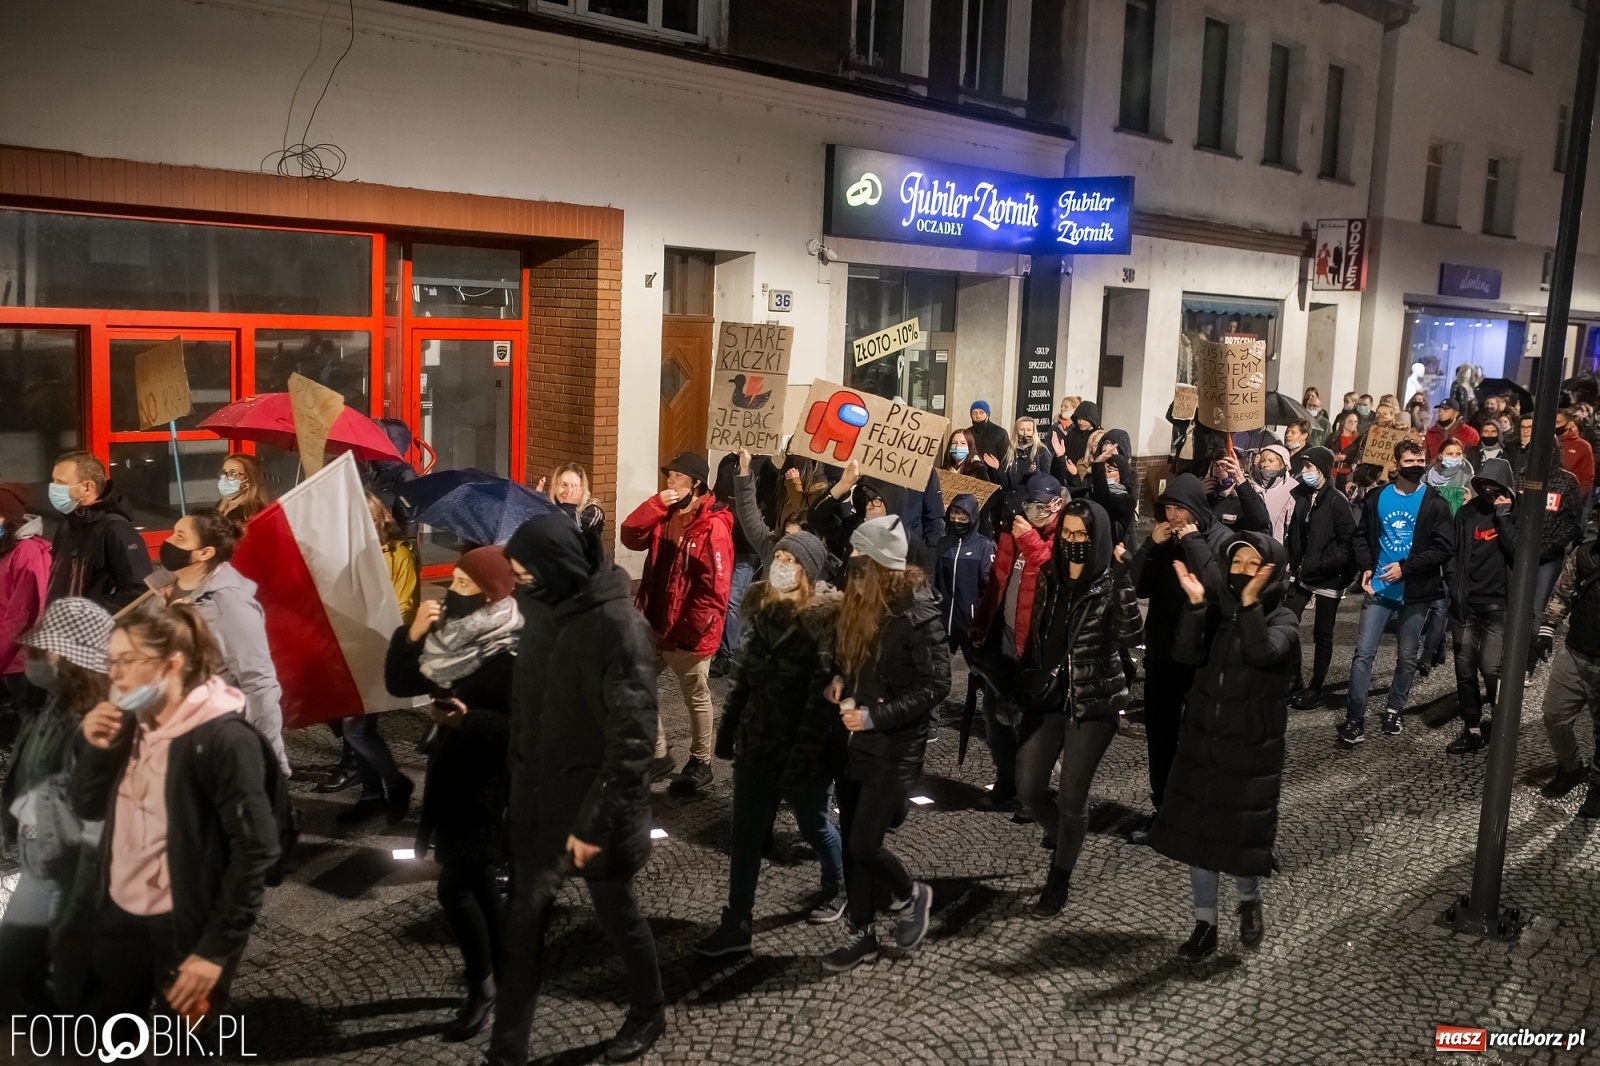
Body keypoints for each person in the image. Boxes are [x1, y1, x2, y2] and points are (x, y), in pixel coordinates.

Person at [490, 514, 664, 1065]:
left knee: (617, 915)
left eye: (525, 573)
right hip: (540, 805)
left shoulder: (621, 629)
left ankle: (648, 1009)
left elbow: (632, 743)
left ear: (555, 569)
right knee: (522, 932)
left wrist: (592, 826)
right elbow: (528, 708)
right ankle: (506, 1053)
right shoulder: (543, 608)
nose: (518, 583)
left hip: (598, 814)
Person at [72, 601, 280, 1028]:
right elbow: (85, 806)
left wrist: (213, 951)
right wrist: (94, 749)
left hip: (184, 928)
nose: (114, 675)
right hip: (120, 916)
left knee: (184, 1051)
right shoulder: (129, 721)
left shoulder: (223, 741)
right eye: (110, 662)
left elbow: (256, 848)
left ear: (172, 664)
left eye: (127, 661)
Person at [384, 546, 520, 1040]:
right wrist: (413, 633)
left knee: (455, 888)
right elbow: (398, 683)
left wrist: (470, 721)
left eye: (463, 585)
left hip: (485, 780)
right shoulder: (456, 634)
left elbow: (523, 728)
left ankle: (483, 987)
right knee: (480, 882)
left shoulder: (510, 646)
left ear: (490, 594)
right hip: (451, 771)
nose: (451, 594)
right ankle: (508, 971)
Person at [695, 532, 847, 956]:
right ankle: (737, 921)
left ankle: (838, 883)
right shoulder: (761, 610)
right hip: (757, 743)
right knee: (745, 834)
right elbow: (743, 678)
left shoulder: (823, 623)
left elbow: (821, 703)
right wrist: (727, 735)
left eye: (789, 559)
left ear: (807, 571)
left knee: (814, 825)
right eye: (777, 556)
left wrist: (804, 757)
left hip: (801, 750)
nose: (780, 563)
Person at [1150, 532, 1295, 961]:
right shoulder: (1218, 613)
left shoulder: (1283, 620)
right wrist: (1196, 608)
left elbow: (1261, 653)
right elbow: (1184, 655)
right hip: (1201, 741)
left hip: (1249, 750)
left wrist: (1250, 606)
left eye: (1255, 566)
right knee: (1198, 839)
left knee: (1239, 840)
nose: (1243, 573)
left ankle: (1248, 900)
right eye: (1237, 564)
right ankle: (1204, 924)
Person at [819, 516, 950, 972]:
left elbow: (936, 686)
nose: (850, 563)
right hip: (855, 742)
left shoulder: (918, 616)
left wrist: (876, 716)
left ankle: (911, 895)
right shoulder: (860, 602)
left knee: (862, 845)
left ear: (878, 565)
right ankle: (861, 935)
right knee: (856, 841)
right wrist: (840, 678)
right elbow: (847, 655)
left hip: (893, 746)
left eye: (859, 556)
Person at [1015, 499, 1141, 918]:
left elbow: (1131, 636)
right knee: (1030, 790)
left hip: (1093, 701)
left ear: (1098, 537)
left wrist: (1124, 583)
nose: (1072, 542)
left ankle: (1059, 877)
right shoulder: (1051, 574)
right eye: (1066, 533)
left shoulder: (1109, 581)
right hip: (1049, 697)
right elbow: (1038, 627)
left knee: (1071, 797)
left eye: (1081, 535)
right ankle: (1061, 835)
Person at [0, 598, 111, 1013]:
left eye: (38, 649)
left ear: (68, 660)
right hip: (37, 859)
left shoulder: (96, 726)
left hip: (71, 870)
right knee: (13, 969)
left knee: (68, 980)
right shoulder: (46, 706)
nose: (28, 655)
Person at [620, 450, 733, 796]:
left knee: (696, 697)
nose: (670, 482)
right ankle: (658, 754)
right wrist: (654, 504)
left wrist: (688, 633)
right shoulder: (663, 512)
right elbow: (630, 537)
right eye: (668, 477)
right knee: (635, 682)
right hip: (654, 623)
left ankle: (701, 762)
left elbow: (714, 590)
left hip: (688, 632)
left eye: (677, 478)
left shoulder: (712, 525)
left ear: (696, 483)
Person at [1127, 473, 1231, 842]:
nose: (1172, 516)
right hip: (1162, 652)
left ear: (1197, 510)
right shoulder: (1163, 538)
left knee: (1201, 740)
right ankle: (1164, 811)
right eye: (1167, 508)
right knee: (1160, 735)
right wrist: (1149, 547)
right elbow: (1136, 586)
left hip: (1202, 656)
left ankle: (1202, 814)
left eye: (1179, 509)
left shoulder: (1221, 539)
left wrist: (1193, 541)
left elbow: (1219, 588)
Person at [1339, 440, 1454, 749]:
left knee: (1407, 656)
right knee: (1363, 653)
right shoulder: (1377, 498)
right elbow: (1361, 536)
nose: (1416, 464)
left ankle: (1394, 709)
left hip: (1416, 592)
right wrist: (1366, 566)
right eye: (1410, 459)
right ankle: (1354, 717)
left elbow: (1443, 548)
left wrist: (1406, 568)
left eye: (1421, 459)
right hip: (1379, 588)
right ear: (1397, 463)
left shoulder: (1435, 503)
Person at [160, 508, 289, 774]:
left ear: (205, 553)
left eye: (180, 537)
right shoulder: (166, 591)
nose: (170, 541)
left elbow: (259, 683)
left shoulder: (228, 604)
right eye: (173, 532)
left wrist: (267, 759)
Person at [969, 475, 1065, 809]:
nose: (1033, 512)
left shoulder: (1067, 532)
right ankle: (1006, 780)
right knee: (995, 714)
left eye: (1040, 506)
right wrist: (983, 623)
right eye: (1029, 505)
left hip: (1036, 646)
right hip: (1005, 636)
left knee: (1030, 721)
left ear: (1056, 504)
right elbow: (999, 579)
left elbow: (1057, 572)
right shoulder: (1014, 529)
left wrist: (1031, 541)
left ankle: (1031, 793)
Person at [326, 494, 415, 824]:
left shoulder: (398, 552)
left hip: (377, 645)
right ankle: (373, 795)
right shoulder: (350, 552)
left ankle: (393, 784)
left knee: (357, 729)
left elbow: (405, 605)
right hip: (351, 645)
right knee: (357, 726)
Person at [1443, 459, 1518, 756]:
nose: (1488, 490)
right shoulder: (1467, 513)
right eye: (1484, 485)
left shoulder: (1517, 514)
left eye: (1494, 486)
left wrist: (1504, 516)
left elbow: (1518, 551)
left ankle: (1500, 721)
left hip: (1498, 605)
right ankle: (1472, 727)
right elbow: (1453, 553)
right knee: (1464, 668)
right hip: (1467, 604)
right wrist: (1453, 582)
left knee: (1490, 668)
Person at [1534, 525, 1600, 818]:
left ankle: (1598, 787)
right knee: (1554, 715)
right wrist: (1548, 629)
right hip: (1575, 653)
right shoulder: (1584, 554)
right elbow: (1563, 591)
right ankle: (1572, 768)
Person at [1285, 448, 1356, 710]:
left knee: (1322, 634)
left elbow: (1348, 543)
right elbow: (1298, 534)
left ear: (1323, 471)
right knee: (1288, 621)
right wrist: (1295, 563)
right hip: (1304, 572)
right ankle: (1294, 679)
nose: (1304, 473)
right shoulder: (1303, 497)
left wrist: (1325, 566)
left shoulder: (1337, 501)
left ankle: (1316, 687)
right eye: (1303, 467)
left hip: (1329, 575)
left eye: (1309, 468)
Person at [46, 451, 151, 610]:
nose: (53, 488)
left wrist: (89, 616)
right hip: (62, 628)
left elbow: (138, 590)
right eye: (53, 481)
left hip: (95, 631)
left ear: (88, 487)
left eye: (60, 483)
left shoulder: (115, 529)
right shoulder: (67, 525)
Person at [0, 483, 51, 708]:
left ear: (8, 519)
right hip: (7, 656)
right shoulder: (6, 548)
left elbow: (21, 616)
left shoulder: (27, 552)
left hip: (20, 659)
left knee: (29, 722)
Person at [934, 493, 995, 650]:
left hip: (970, 622)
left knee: (974, 667)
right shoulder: (943, 544)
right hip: (943, 620)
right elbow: (935, 580)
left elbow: (988, 585)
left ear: (972, 519)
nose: (957, 523)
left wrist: (981, 620)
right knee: (940, 669)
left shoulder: (984, 546)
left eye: (962, 520)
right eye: (953, 518)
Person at [547, 461, 606, 564]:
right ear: (555, 485)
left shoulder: (593, 512)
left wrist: (570, 506)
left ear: (582, 488)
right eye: (564, 485)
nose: (568, 491)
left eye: (574, 486)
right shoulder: (547, 508)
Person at [1204, 456, 1272, 535]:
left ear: (1240, 471)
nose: (1217, 470)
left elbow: (1260, 522)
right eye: (1215, 466)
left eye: (1223, 466)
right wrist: (1197, 496)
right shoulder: (1207, 495)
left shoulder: (1245, 497)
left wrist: (1241, 483)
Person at [1252, 444, 1295, 543]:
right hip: (1253, 544)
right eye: (1263, 461)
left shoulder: (1292, 488)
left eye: (1271, 461)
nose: (1266, 464)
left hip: (1277, 546)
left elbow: (1292, 526)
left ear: (1283, 464)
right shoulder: (1251, 484)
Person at [214, 453, 270, 526]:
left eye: (233, 473)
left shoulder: (249, 513)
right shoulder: (220, 505)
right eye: (223, 472)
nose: (225, 477)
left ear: (249, 480)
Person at [1424, 439, 1474, 513]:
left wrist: (1467, 503)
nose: (1454, 457)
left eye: (1458, 454)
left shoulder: (1467, 476)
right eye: (1450, 454)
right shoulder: (1428, 475)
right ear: (1440, 455)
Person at [1557, 408, 1596, 500]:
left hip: (1569, 499)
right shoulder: (1546, 442)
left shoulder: (1583, 446)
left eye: (1558, 422)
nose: (1554, 426)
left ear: (1569, 424)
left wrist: (1574, 497)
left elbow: (1587, 477)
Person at [967, 401, 1011, 471]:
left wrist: (998, 468)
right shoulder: (967, 433)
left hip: (993, 475)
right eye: (974, 413)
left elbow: (1006, 460)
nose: (978, 416)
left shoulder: (999, 432)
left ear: (987, 414)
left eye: (981, 412)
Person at [1329, 411, 1364, 492]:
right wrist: (1332, 456)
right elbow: (1325, 450)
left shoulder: (1359, 439)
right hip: (1332, 473)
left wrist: (1346, 458)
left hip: (1347, 476)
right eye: (1350, 421)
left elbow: (1359, 458)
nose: (1353, 424)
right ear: (1343, 422)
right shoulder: (1333, 437)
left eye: (1355, 421)